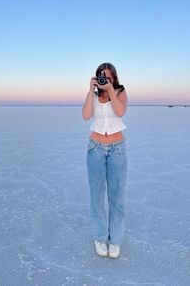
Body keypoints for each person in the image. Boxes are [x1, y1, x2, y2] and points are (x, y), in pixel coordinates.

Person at [82, 62, 128, 258]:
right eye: (101, 76)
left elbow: (120, 112)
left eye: (108, 76)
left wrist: (110, 90)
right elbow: (85, 116)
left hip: (117, 148)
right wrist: (88, 90)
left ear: (114, 77)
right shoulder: (93, 95)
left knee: (116, 198)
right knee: (97, 197)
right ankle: (100, 237)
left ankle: (115, 240)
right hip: (96, 149)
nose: (104, 79)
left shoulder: (120, 91)